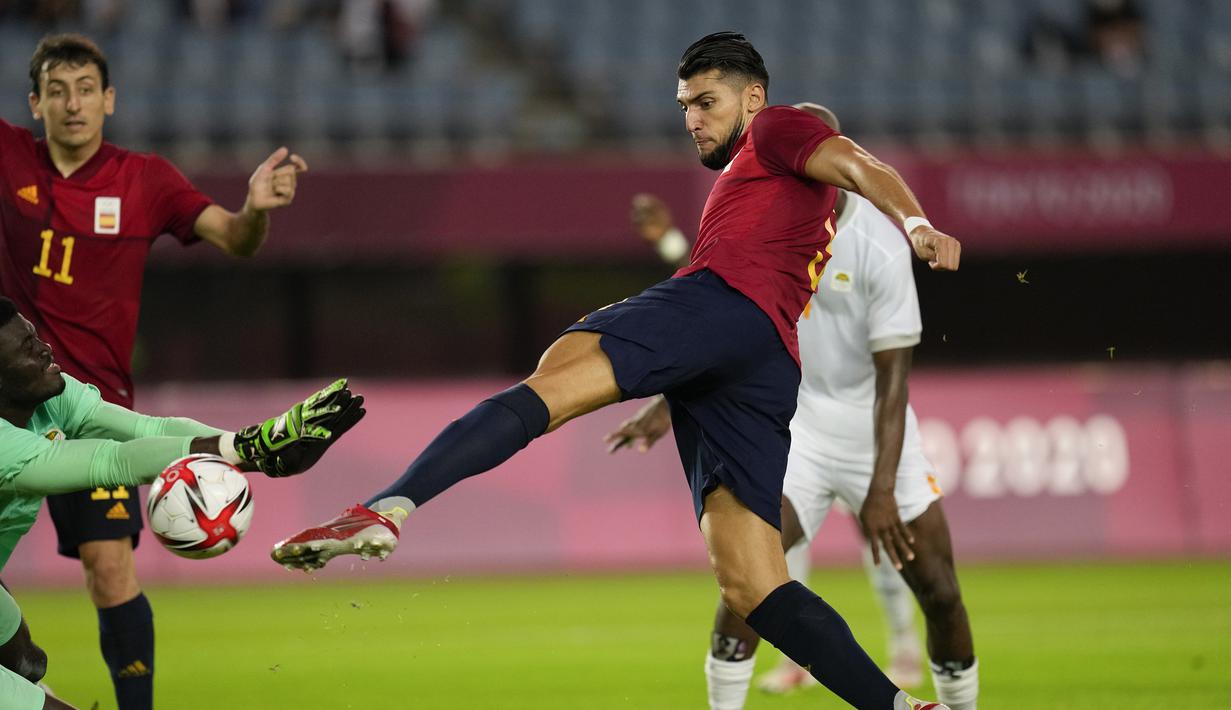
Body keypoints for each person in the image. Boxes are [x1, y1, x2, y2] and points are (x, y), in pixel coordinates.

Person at [272, 32, 959, 710]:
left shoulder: (779, 127)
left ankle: (386, 508)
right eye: (685, 105)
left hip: (723, 306)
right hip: (767, 361)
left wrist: (916, 225)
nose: (692, 119)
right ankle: (901, 708)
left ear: (753, 98)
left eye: (707, 102)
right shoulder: (763, 184)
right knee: (754, 586)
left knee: (551, 382)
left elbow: (860, 164)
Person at [607, 105, 978, 710]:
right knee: (747, 584)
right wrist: (663, 407)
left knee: (938, 589)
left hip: (873, 431)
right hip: (795, 427)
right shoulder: (762, 226)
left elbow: (893, 384)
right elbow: (708, 314)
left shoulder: (879, 249)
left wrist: (881, 487)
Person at [0, 33, 307, 710]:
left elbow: (234, 238)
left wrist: (254, 211)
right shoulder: (9, 156)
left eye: (86, 90)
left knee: (108, 567)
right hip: (11, 409)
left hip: (92, 407)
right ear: (35, 103)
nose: (73, 104)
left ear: (109, 100)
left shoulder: (145, 180)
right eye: (57, 91)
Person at [0, 296, 364, 710]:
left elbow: (150, 430)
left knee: (28, 662)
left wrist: (261, 452)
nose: (45, 349)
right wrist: (248, 447)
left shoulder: (54, 397)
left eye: (36, 337)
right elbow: (113, 460)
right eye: (27, 348)